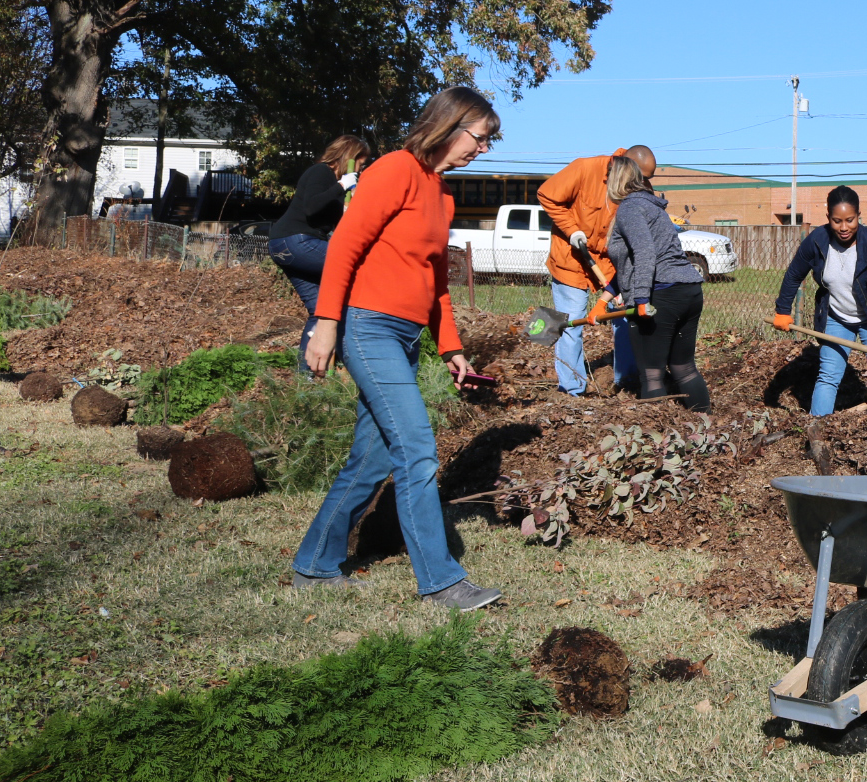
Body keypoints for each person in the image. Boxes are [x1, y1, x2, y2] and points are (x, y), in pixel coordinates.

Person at [291, 87, 500, 611]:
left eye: (488, 143)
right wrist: (325, 323)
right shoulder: (393, 170)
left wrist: (450, 348)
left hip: (405, 337)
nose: (481, 150)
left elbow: (436, 282)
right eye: (479, 138)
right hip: (368, 327)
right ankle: (442, 582)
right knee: (417, 449)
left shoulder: (442, 193)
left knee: (373, 458)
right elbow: (344, 246)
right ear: (449, 125)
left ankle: (314, 564)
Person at [771, 186, 867, 417]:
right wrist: (783, 310)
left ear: (859, 216)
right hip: (837, 317)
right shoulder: (817, 241)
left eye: (850, 220)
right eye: (837, 221)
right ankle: (818, 429)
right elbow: (794, 274)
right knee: (828, 374)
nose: (844, 227)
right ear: (828, 218)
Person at [537, 145, 656, 395]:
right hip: (572, 258)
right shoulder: (584, 169)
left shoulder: (640, 186)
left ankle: (626, 380)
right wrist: (572, 230)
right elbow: (547, 194)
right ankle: (572, 389)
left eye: (646, 180)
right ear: (623, 165)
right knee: (570, 324)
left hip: (611, 263)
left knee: (625, 317)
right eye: (639, 178)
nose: (641, 184)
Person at [605, 156, 710, 412]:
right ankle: (706, 426)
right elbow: (630, 263)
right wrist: (604, 299)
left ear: (617, 178)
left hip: (661, 295)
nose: (605, 181)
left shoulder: (629, 209)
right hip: (688, 291)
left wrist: (641, 300)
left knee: (651, 375)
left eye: (607, 176)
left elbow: (644, 254)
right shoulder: (653, 208)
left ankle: (656, 441)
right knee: (683, 368)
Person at [268, 135, 372, 373]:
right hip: (295, 241)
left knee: (319, 310)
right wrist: (342, 185)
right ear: (350, 158)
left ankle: (306, 379)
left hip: (288, 246)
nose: (362, 169)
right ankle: (355, 356)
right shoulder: (321, 172)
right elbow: (311, 206)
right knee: (356, 271)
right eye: (361, 164)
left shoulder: (336, 183)